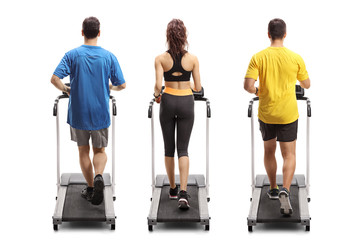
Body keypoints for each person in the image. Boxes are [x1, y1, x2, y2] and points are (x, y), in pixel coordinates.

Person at [51, 17, 126, 205]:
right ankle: (99, 175)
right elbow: (122, 85)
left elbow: (54, 79)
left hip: (79, 112)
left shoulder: (72, 55)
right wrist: (110, 87)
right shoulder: (108, 56)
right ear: (99, 33)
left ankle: (91, 188)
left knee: (83, 150)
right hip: (100, 111)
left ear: (82, 32)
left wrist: (66, 89)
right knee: (99, 150)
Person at [244, 18, 310, 215]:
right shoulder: (295, 57)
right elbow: (306, 84)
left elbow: (248, 86)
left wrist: (258, 91)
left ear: (268, 34)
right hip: (288, 114)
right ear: (285, 34)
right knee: (289, 154)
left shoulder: (258, 57)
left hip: (267, 113)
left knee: (269, 151)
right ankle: (285, 190)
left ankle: (273, 188)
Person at [154, 19, 202, 210]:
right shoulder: (192, 59)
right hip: (186, 103)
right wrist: (186, 84)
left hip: (168, 102)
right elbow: (198, 87)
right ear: (184, 36)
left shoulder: (160, 59)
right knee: (183, 149)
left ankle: (173, 189)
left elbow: (158, 86)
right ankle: (183, 192)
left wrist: (157, 95)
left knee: (168, 148)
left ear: (168, 36)